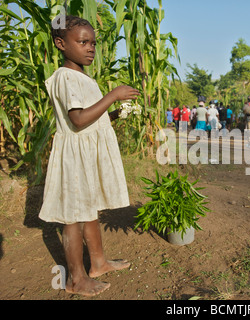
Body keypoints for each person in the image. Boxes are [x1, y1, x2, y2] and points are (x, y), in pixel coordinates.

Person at [39, 15, 138, 297]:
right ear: (61, 43)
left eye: (93, 42)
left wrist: (114, 114)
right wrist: (114, 95)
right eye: (82, 42)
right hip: (74, 157)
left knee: (89, 210)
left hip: (86, 154)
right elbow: (79, 119)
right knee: (73, 217)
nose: (90, 48)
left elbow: (91, 117)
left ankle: (98, 263)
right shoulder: (65, 77)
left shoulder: (82, 76)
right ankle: (75, 279)